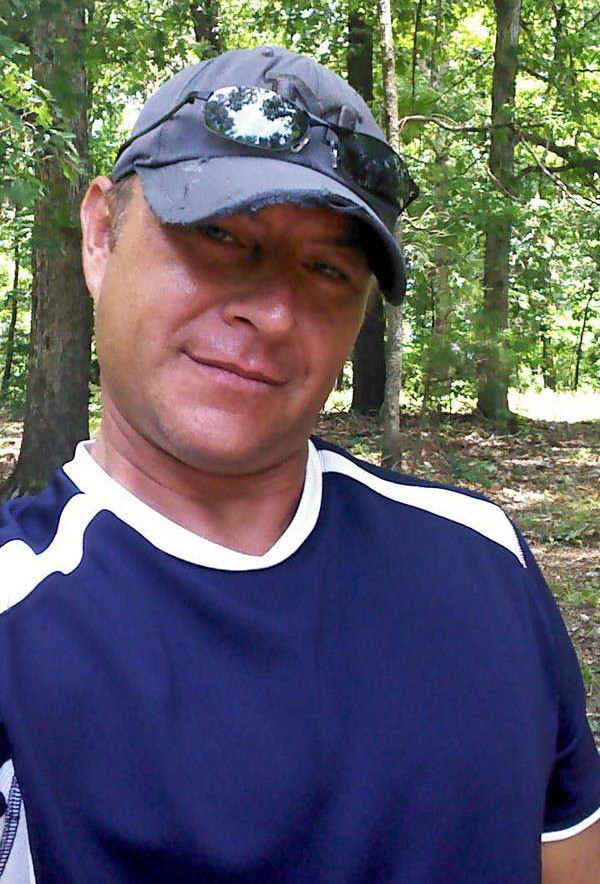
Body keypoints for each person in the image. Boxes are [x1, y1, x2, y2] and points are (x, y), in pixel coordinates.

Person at [0, 45, 598, 884]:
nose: (275, 313)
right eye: (219, 234)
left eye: (326, 268)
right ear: (102, 234)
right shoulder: (18, 616)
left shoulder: (480, 559)